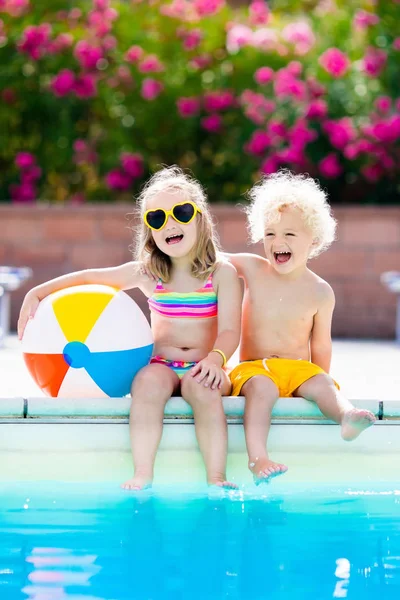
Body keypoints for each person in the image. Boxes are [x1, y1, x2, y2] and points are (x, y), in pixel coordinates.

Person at [18, 166, 242, 491]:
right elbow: (90, 277)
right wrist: (37, 292)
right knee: (146, 385)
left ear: (200, 218)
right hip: (162, 364)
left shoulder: (221, 273)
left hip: (206, 366)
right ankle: (143, 473)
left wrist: (215, 360)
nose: (170, 224)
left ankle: (216, 477)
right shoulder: (149, 273)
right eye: (157, 218)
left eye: (180, 212)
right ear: (149, 230)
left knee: (203, 392)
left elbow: (230, 330)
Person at [225, 170, 376, 485]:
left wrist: (318, 381)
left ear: (315, 239)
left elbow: (321, 346)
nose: (277, 243)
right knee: (262, 391)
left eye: (289, 235)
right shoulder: (253, 269)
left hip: (297, 369)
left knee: (323, 384)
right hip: (254, 369)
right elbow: (210, 258)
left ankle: (346, 416)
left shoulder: (321, 291)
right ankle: (257, 456)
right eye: (270, 234)